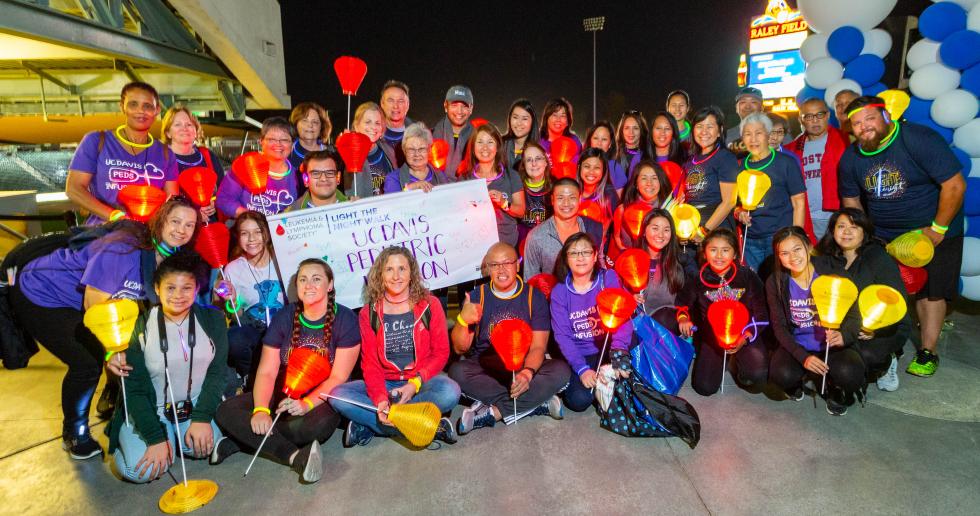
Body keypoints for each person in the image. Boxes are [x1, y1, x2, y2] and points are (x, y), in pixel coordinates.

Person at [9, 196, 201, 459]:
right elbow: (94, 302)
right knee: (87, 362)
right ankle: (75, 433)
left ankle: (120, 407)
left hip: (82, 302)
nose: (181, 230)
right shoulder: (123, 249)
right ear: (160, 220)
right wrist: (111, 350)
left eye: (189, 225)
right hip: (42, 292)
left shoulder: (170, 255)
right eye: (175, 221)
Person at [838, 95, 966, 378]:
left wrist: (938, 229)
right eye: (856, 123)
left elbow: (954, 185)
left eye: (870, 118)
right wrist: (862, 237)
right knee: (885, 290)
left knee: (931, 292)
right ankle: (888, 345)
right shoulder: (851, 158)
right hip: (884, 235)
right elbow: (851, 201)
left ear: (886, 116)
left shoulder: (917, 139)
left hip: (933, 228)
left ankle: (928, 351)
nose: (864, 127)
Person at [214, 259, 360, 483]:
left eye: (316, 279)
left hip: (321, 397)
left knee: (316, 428)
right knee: (226, 410)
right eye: (303, 279)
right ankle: (294, 455)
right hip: (283, 392)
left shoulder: (346, 319)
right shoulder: (285, 316)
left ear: (330, 285)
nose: (308, 285)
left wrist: (305, 404)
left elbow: (338, 377)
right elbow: (267, 372)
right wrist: (261, 410)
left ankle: (243, 439)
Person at [107, 251, 228, 482]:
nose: (178, 295)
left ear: (197, 289)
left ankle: (178, 438)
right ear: (157, 288)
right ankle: (137, 440)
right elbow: (134, 390)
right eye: (170, 288)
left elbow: (217, 374)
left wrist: (202, 418)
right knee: (143, 471)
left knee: (205, 447)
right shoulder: (138, 326)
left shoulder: (213, 320)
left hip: (193, 405)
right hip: (154, 409)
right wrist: (155, 438)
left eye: (186, 288)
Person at [330, 247, 460, 447]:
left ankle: (372, 426)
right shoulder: (368, 313)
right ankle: (427, 426)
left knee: (450, 392)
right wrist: (381, 399)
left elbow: (441, 352)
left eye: (402, 269)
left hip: (419, 382)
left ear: (411, 273)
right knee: (337, 396)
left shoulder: (430, 304)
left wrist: (414, 384)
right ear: (380, 275)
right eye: (389, 269)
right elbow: (371, 364)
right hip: (385, 384)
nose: (396, 276)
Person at [449, 243, 570, 432]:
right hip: (486, 368)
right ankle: (536, 404)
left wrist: (527, 373)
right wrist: (462, 320)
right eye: (495, 265)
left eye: (507, 263)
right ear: (488, 268)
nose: (501, 270)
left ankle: (493, 412)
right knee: (457, 372)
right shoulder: (477, 296)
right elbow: (460, 349)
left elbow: (538, 347)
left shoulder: (534, 297)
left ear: (517, 265)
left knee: (561, 371)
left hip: (522, 365)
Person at [766, 226, 866, 416]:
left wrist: (845, 336)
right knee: (782, 375)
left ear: (809, 247)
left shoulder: (831, 272)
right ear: (778, 257)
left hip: (831, 344)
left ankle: (835, 387)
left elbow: (854, 315)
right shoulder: (776, 281)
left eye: (797, 249)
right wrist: (802, 357)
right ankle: (799, 378)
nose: (792, 257)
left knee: (850, 374)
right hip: (799, 343)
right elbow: (779, 326)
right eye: (784, 253)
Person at [814, 208, 911, 392]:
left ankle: (888, 361)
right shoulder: (827, 257)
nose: (847, 232)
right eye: (841, 226)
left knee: (867, 355)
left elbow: (896, 301)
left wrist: (876, 329)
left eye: (854, 227)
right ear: (833, 230)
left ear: (864, 231)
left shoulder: (878, 257)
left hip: (882, 326)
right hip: (845, 326)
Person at [66, 81, 178, 224]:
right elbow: (74, 189)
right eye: (133, 104)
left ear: (157, 110)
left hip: (147, 232)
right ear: (122, 107)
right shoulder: (96, 140)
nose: (140, 111)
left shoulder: (166, 153)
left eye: (147, 106)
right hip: (103, 230)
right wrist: (115, 216)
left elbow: (171, 201)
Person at [680, 228, 769, 396]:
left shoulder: (747, 276)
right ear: (705, 253)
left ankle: (739, 365)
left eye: (725, 250)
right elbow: (682, 303)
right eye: (713, 250)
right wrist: (684, 318)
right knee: (704, 387)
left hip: (743, 334)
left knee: (756, 374)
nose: (719, 256)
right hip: (712, 338)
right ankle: (721, 360)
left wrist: (746, 337)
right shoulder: (698, 278)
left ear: (735, 254)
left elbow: (762, 314)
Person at [550, 233, 632, 412]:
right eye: (574, 253)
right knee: (578, 401)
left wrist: (618, 353)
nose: (580, 258)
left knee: (627, 388)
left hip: (610, 347)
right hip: (582, 353)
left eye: (586, 252)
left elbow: (623, 316)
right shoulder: (560, 292)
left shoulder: (607, 278)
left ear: (595, 256)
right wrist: (582, 369)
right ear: (566, 259)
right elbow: (562, 336)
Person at [215, 211, 285, 391]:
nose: (252, 239)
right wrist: (232, 301)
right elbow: (236, 316)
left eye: (258, 232)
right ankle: (249, 376)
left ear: (267, 233)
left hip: (283, 325)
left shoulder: (282, 259)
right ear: (238, 237)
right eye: (245, 233)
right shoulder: (233, 269)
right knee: (235, 337)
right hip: (254, 327)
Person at [734, 112, 807, 271]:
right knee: (755, 282)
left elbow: (799, 203)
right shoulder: (739, 166)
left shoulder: (786, 163)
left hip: (779, 237)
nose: (753, 139)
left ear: (768, 135)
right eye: (747, 134)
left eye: (758, 133)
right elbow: (735, 204)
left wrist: (795, 237)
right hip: (750, 240)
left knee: (779, 281)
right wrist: (739, 212)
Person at [788, 98, 849, 239]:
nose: (815, 120)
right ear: (801, 120)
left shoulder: (845, 140)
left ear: (828, 115)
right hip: (805, 216)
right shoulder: (791, 149)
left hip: (837, 214)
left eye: (819, 114)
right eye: (809, 116)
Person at [216, 117, 297, 217]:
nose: (278, 144)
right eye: (271, 139)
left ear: (292, 144)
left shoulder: (298, 177)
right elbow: (223, 200)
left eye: (284, 140)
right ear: (261, 141)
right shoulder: (245, 167)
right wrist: (252, 218)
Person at [523, 178, 604, 278]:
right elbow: (530, 278)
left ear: (579, 199)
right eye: (560, 198)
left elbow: (600, 263)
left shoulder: (593, 228)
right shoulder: (537, 236)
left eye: (572, 198)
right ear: (552, 200)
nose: (566, 203)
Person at [634, 208, 698, 330]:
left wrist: (683, 317)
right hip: (637, 326)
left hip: (668, 325)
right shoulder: (631, 261)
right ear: (644, 231)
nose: (661, 235)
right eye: (655, 228)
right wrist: (630, 297)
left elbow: (687, 298)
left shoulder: (681, 262)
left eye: (666, 230)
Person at [682, 106, 739, 239]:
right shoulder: (690, 161)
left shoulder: (725, 158)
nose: (704, 131)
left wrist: (705, 230)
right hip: (691, 224)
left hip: (716, 227)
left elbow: (729, 202)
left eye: (710, 126)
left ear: (719, 131)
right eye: (699, 126)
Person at [465, 123, 526, 247]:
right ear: (473, 147)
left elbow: (521, 211)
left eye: (490, 142)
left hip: (506, 245)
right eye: (480, 142)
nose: (485, 147)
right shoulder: (464, 179)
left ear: (498, 146)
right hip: (476, 245)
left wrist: (504, 203)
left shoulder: (511, 175)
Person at [161, 104, 222, 222]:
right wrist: (194, 214)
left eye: (189, 124)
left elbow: (223, 191)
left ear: (195, 130)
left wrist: (214, 202)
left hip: (210, 227)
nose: (184, 128)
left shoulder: (208, 156)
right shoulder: (162, 158)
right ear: (168, 133)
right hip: (178, 227)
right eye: (177, 124)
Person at [611, 160, 670, 253]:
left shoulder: (669, 208)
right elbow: (617, 238)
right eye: (644, 178)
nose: (649, 183)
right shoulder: (622, 209)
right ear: (636, 184)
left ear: (660, 182)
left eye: (654, 178)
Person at [383, 122, 451, 194]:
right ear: (404, 151)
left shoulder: (440, 175)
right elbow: (394, 200)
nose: (417, 154)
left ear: (429, 150)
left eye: (421, 149)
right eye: (411, 149)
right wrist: (411, 187)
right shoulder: (394, 178)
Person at [348, 101, 394, 198]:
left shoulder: (389, 152)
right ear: (356, 126)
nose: (373, 127)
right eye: (368, 122)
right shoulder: (347, 154)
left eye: (377, 123)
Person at [287, 102, 332, 197]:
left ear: (321, 126)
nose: (310, 125)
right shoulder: (286, 153)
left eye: (315, 122)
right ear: (295, 124)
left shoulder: (332, 154)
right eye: (304, 121)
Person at [517, 141, 553, 251]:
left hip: (549, 241)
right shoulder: (516, 186)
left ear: (546, 162)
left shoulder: (555, 186)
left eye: (538, 158)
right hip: (522, 243)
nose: (534, 163)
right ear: (524, 165)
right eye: (529, 160)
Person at [431, 85, 474, 177]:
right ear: (446, 106)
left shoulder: (478, 139)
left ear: (471, 108)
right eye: (454, 105)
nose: (459, 111)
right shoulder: (428, 138)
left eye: (464, 106)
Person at [577, 147, 618, 234]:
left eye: (597, 168)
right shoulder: (571, 192)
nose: (591, 172)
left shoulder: (608, 195)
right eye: (587, 166)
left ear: (604, 171)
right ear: (579, 167)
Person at [586, 120, 628, 194]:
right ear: (590, 141)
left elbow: (618, 199)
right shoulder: (579, 163)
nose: (599, 143)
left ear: (610, 144)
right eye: (595, 138)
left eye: (604, 139)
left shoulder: (615, 168)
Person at [379, 80, 413, 167]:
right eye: (390, 100)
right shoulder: (371, 135)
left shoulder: (421, 135)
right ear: (382, 103)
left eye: (400, 101)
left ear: (407, 105)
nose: (395, 106)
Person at [614, 110, 654, 181]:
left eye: (635, 128)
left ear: (642, 131)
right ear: (621, 131)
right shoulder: (614, 155)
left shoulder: (650, 155)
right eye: (627, 128)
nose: (631, 132)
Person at [501, 98, 539, 173]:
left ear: (532, 121)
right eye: (515, 117)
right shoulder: (500, 143)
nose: (519, 123)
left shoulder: (538, 149)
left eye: (524, 119)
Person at [725, 86, 764, 152]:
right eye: (743, 102)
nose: (748, 106)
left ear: (762, 108)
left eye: (753, 102)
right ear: (736, 108)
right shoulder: (727, 136)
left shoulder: (773, 132)